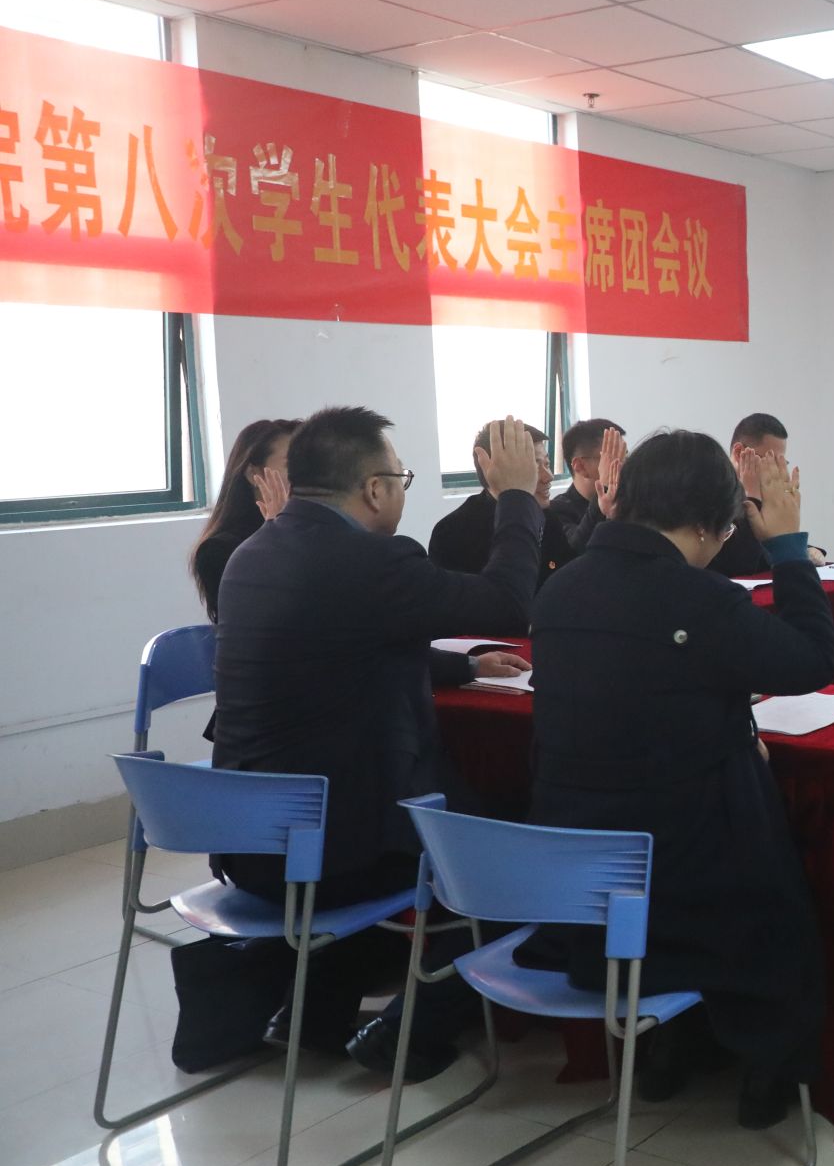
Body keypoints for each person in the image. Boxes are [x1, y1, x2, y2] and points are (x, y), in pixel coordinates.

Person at [210, 406, 542, 1074]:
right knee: (522, 853)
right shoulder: (373, 560)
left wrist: (464, 667)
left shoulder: (251, 555)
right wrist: (514, 495)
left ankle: (311, 1015)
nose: (401, 491)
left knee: (408, 801)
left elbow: (342, 643)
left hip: (253, 844)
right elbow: (508, 602)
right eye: (401, 479)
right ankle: (409, 1028)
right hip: (336, 853)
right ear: (373, 489)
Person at [517, 430, 833, 1129]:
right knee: (783, 869)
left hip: (578, 882)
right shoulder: (701, 598)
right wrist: (788, 547)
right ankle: (768, 1068)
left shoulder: (559, 591)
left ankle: (671, 1050)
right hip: (684, 873)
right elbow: (811, 659)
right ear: (710, 523)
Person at [429, 421, 579, 584]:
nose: (549, 476)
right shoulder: (453, 533)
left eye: (547, 464)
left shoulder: (547, 518)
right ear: (490, 469)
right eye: (533, 466)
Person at [190, 417, 300, 621]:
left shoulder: (318, 530)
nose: (306, 475)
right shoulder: (218, 550)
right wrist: (279, 532)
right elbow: (263, 617)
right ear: (253, 474)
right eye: (293, 464)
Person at [707, 413, 828, 576]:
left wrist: (806, 549)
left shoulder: (763, 491)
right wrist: (752, 497)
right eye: (767, 459)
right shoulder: (711, 490)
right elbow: (739, 563)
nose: (774, 469)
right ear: (739, 452)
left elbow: (765, 546)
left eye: (779, 462)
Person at [544, 416, 624, 550]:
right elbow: (576, 550)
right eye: (612, 458)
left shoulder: (628, 501)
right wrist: (604, 487)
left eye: (624, 456)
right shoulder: (557, 511)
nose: (622, 465)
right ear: (580, 466)